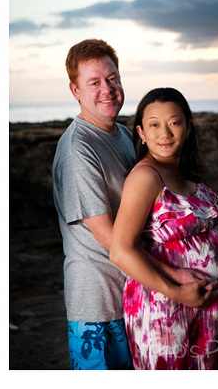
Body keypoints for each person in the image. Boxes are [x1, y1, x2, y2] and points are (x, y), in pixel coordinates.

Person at [109, 87, 218, 369]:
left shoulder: (182, 172)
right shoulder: (146, 177)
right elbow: (120, 251)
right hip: (166, 307)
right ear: (141, 133)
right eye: (154, 125)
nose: (165, 133)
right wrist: (176, 292)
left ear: (188, 127)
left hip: (208, 304)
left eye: (174, 122)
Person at [51, 39, 136, 370]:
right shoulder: (77, 149)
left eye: (112, 78)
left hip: (132, 295)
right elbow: (109, 237)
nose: (108, 89)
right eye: (94, 82)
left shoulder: (126, 136)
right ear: (75, 90)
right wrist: (171, 281)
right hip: (97, 306)